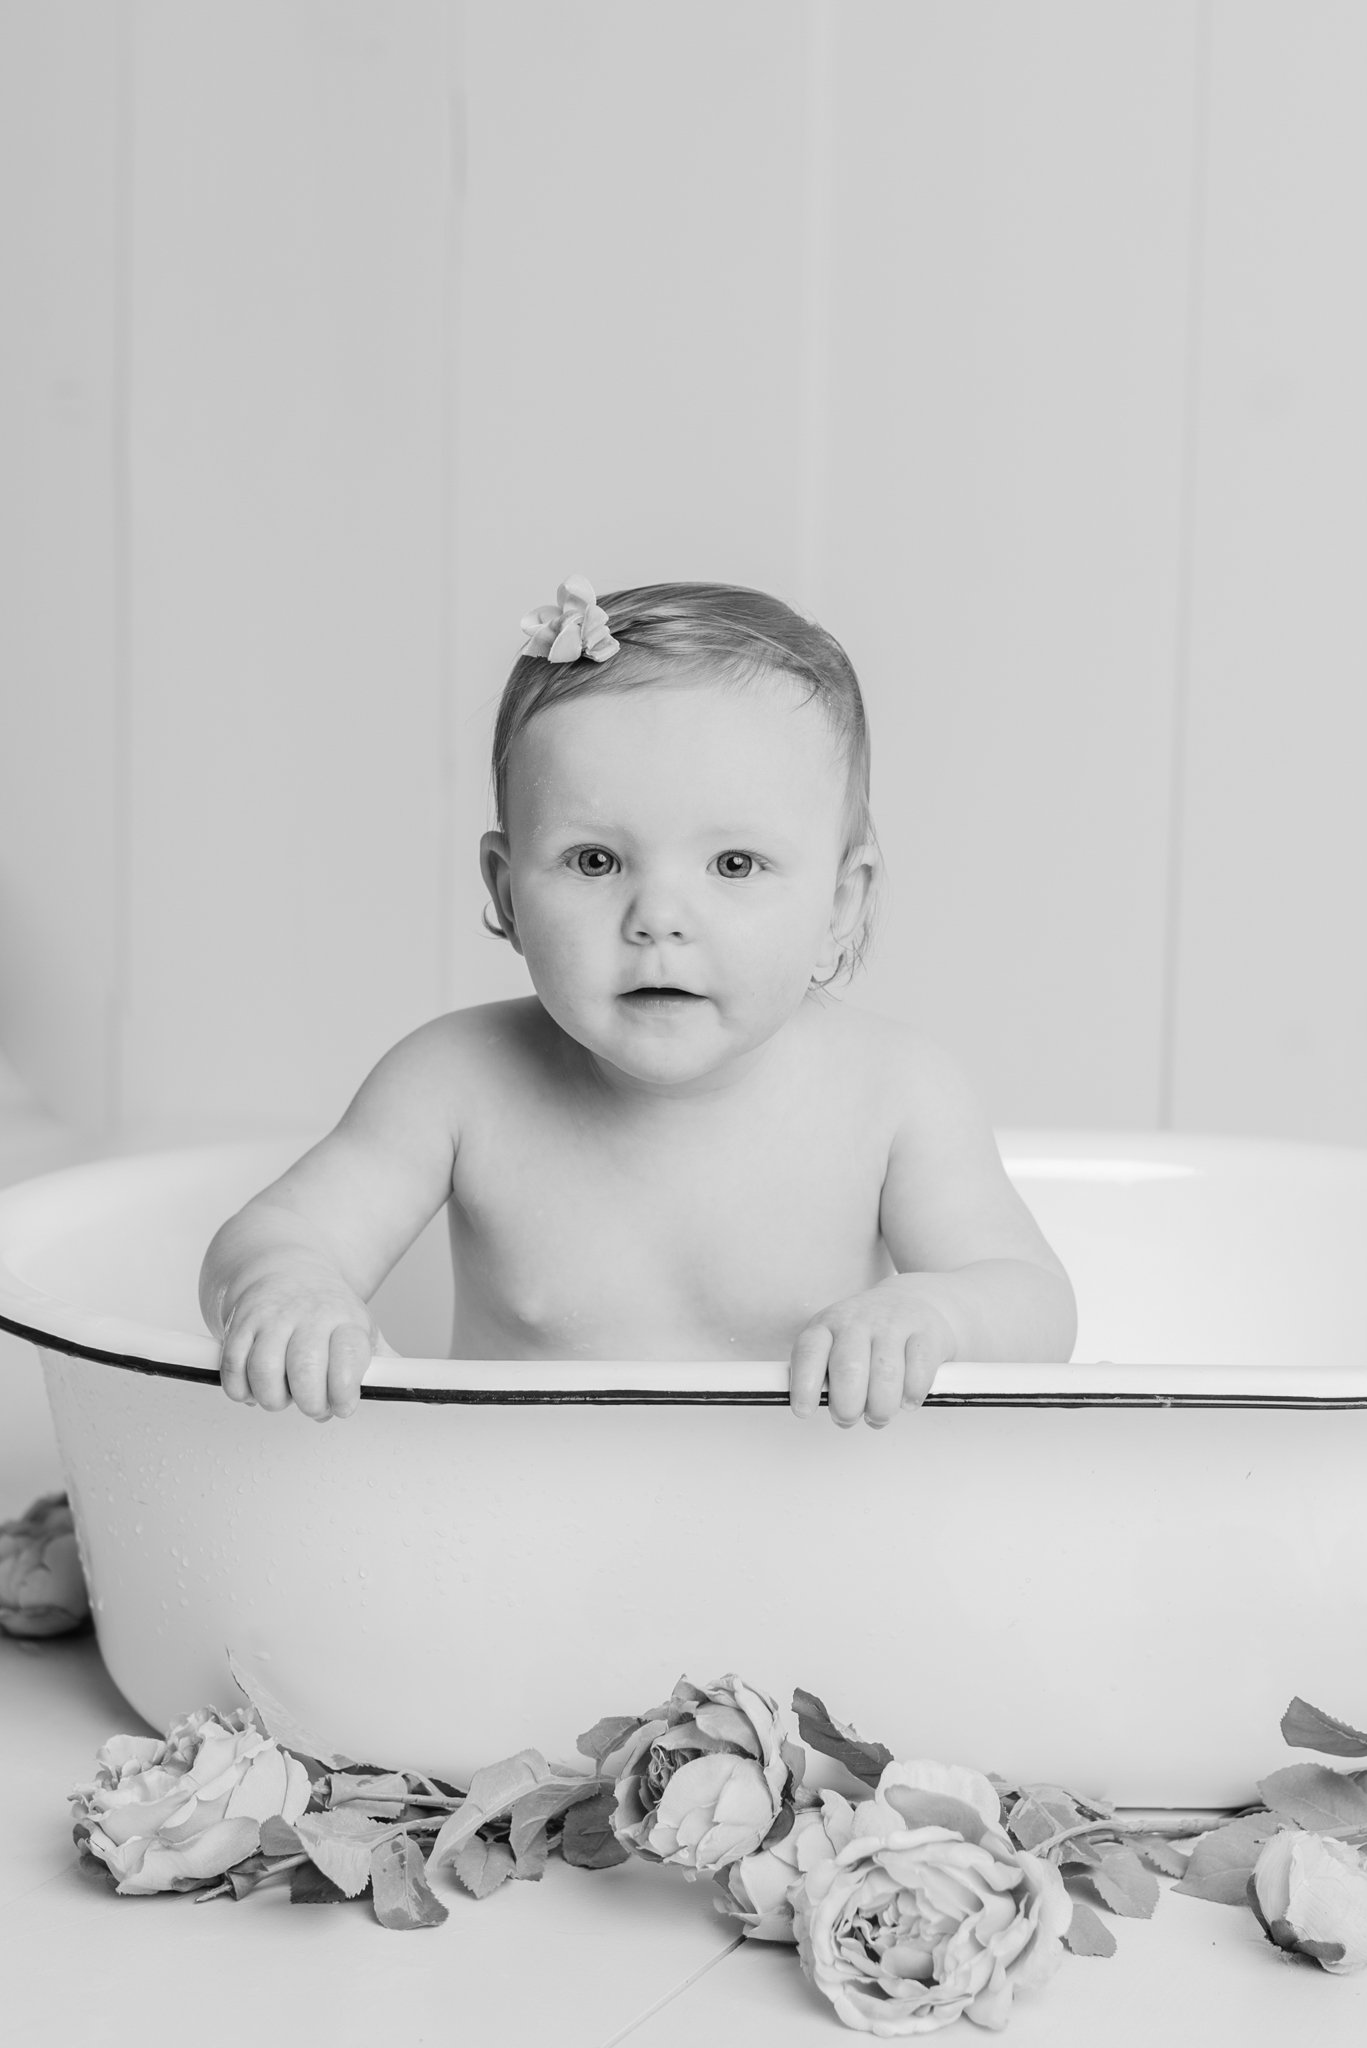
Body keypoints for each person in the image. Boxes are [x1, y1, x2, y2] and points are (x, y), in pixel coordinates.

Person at [199, 577, 1075, 1428]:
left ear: (839, 905)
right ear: (507, 893)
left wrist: (936, 1317)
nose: (657, 918)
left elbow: (1031, 1302)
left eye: (734, 865)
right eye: (593, 861)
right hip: (511, 1535)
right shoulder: (453, 1084)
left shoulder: (893, 1094)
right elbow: (276, 1232)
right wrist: (292, 1288)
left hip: (809, 1538)